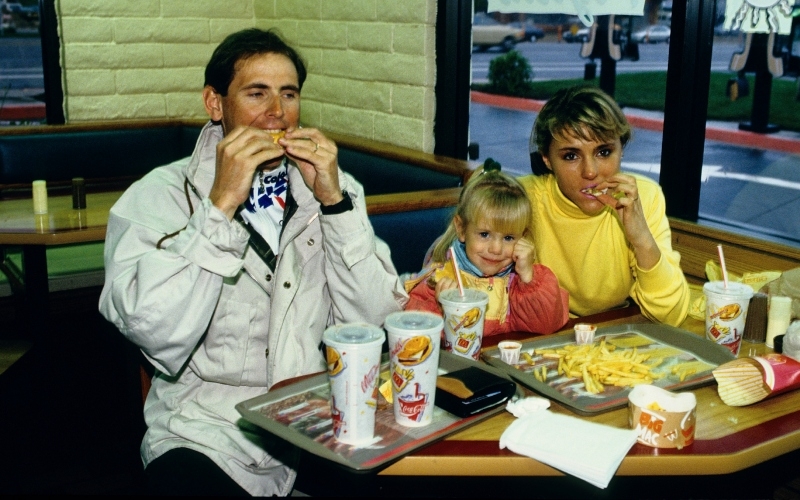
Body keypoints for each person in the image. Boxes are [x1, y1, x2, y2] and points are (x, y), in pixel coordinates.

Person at [98, 28, 407, 496]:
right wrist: (219, 207)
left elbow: (376, 322)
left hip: (323, 423)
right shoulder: (155, 198)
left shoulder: (335, 188)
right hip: (208, 431)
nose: (277, 112)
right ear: (215, 103)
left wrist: (334, 205)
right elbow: (155, 331)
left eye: (288, 94)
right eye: (256, 93)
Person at [522, 85, 689, 326]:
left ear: (621, 150)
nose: (590, 172)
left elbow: (672, 315)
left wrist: (641, 238)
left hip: (612, 338)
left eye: (604, 152)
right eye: (571, 156)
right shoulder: (525, 200)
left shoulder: (643, 197)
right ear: (547, 159)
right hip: (542, 334)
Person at [404, 166, 569, 336]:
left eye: (508, 238)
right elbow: (415, 336)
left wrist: (528, 279)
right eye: (484, 234)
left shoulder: (520, 282)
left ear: (523, 238)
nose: (496, 249)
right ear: (461, 229)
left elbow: (547, 325)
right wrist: (443, 307)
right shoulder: (438, 280)